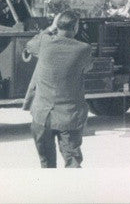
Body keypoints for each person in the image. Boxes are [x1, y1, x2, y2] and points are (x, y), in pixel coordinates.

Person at [22, 10, 93, 168]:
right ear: (75, 28)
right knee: (72, 162)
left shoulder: (45, 42)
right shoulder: (84, 49)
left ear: (58, 25)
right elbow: (87, 68)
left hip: (42, 116)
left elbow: (30, 45)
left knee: (46, 164)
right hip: (70, 117)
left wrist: (50, 27)